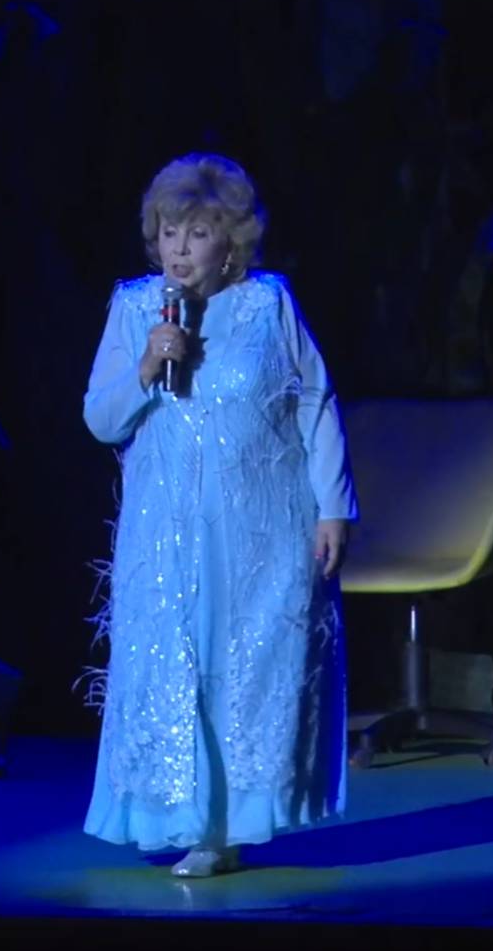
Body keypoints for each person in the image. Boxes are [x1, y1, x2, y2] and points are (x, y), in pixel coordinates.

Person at [79, 153, 358, 877]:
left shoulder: (269, 305)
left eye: (197, 233)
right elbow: (101, 419)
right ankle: (177, 815)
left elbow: (315, 403)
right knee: (173, 666)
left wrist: (334, 506)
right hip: (166, 535)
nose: (178, 248)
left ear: (230, 242)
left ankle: (224, 831)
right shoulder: (135, 308)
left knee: (248, 672)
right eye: (169, 231)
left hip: (262, 531)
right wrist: (147, 366)